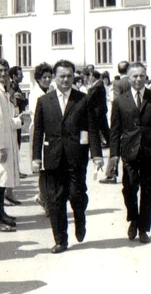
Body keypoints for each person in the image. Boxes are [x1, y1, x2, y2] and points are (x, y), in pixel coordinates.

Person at [32, 60, 104, 253]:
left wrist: (96, 155)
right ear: (54, 78)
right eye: (62, 76)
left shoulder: (83, 99)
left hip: (76, 157)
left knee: (76, 195)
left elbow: (92, 129)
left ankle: (80, 218)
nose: (65, 80)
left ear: (74, 77)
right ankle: (61, 240)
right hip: (53, 157)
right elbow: (38, 131)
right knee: (55, 200)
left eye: (69, 76)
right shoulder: (44, 101)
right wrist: (35, 158)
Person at [107, 62, 151, 244]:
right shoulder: (120, 101)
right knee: (129, 188)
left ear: (146, 76)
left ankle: (143, 228)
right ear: (128, 77)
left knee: (148, 191)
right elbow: (115, 130)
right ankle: (133, 218)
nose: (138, 79)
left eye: (141, 75)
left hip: (150, 151)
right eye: (134, 76)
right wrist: (114, 154)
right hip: (129, 152)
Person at [0, 59, 25, 232]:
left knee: (1, 181)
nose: (3, 73)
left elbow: (5, 120)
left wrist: (17, 121)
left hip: (5, 140)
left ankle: (1, 213)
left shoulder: (2, 90)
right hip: (0, 144)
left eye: (5, 70)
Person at [28, 62, 53, 214]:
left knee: (49, 169)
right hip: (39, 132)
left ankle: (43, 197)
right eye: (44, 77)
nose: (47, 80)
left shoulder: (50, 90)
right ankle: (45, 200)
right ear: (38, 78)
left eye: (49, 77)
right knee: (43, 169)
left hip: (50, 133)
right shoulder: (35, 94)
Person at [101, 61, 131, 184]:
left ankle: (111, 173)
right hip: (131, 116)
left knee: (115, 144)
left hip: (119, 116)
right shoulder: (131, 81)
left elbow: (116, 100)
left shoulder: (117, 83)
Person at [6, 65, 28, 204]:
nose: (22, 77)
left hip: (17, 120)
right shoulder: (11, 87)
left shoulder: (14, 87)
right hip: (12, 121)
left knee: (16, 148)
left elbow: (23, 101)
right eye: (19, 74)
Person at [88, 70, 110, 148]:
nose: (89, 78)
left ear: (94, 77)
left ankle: (98, 144)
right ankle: (109, 141)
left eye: (90, 76)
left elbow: (90, 96)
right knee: (104, 127)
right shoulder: (98, 85)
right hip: (100, 110)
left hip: (98, 110)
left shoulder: (98, 85)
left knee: (98, 127)